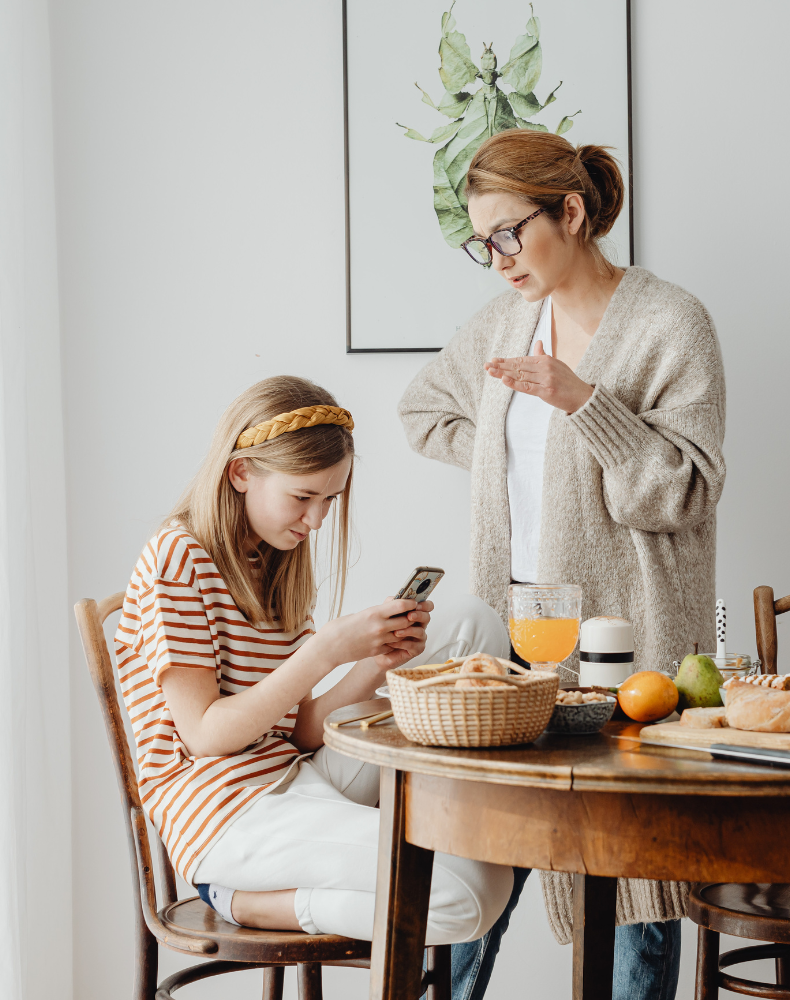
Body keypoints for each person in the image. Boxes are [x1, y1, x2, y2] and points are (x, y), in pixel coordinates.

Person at [398, 130, 726, 999]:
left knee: (635, 893)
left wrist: (583, 403)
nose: (495, 258)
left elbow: (682, 494)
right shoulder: (504, 323)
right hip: (518, 655)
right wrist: (510, 460)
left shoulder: (669, 323)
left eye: (508, 232)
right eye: (481, 241)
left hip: (637, 655)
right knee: (481, 876)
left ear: (571, 212)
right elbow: (423, 411)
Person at [114, 375, 513, 943]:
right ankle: (253, 902)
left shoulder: (276, 559)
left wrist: (376, 660)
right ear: (241, 473)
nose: (318, 519)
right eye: (303, 497)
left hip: (293, 774)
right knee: (474, 889)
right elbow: (205, 735)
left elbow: (298, 730)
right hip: (224, 810)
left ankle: (437, 818)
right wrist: (327, 650)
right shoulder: (178, 555)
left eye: (331, 499)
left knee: (472, 621)